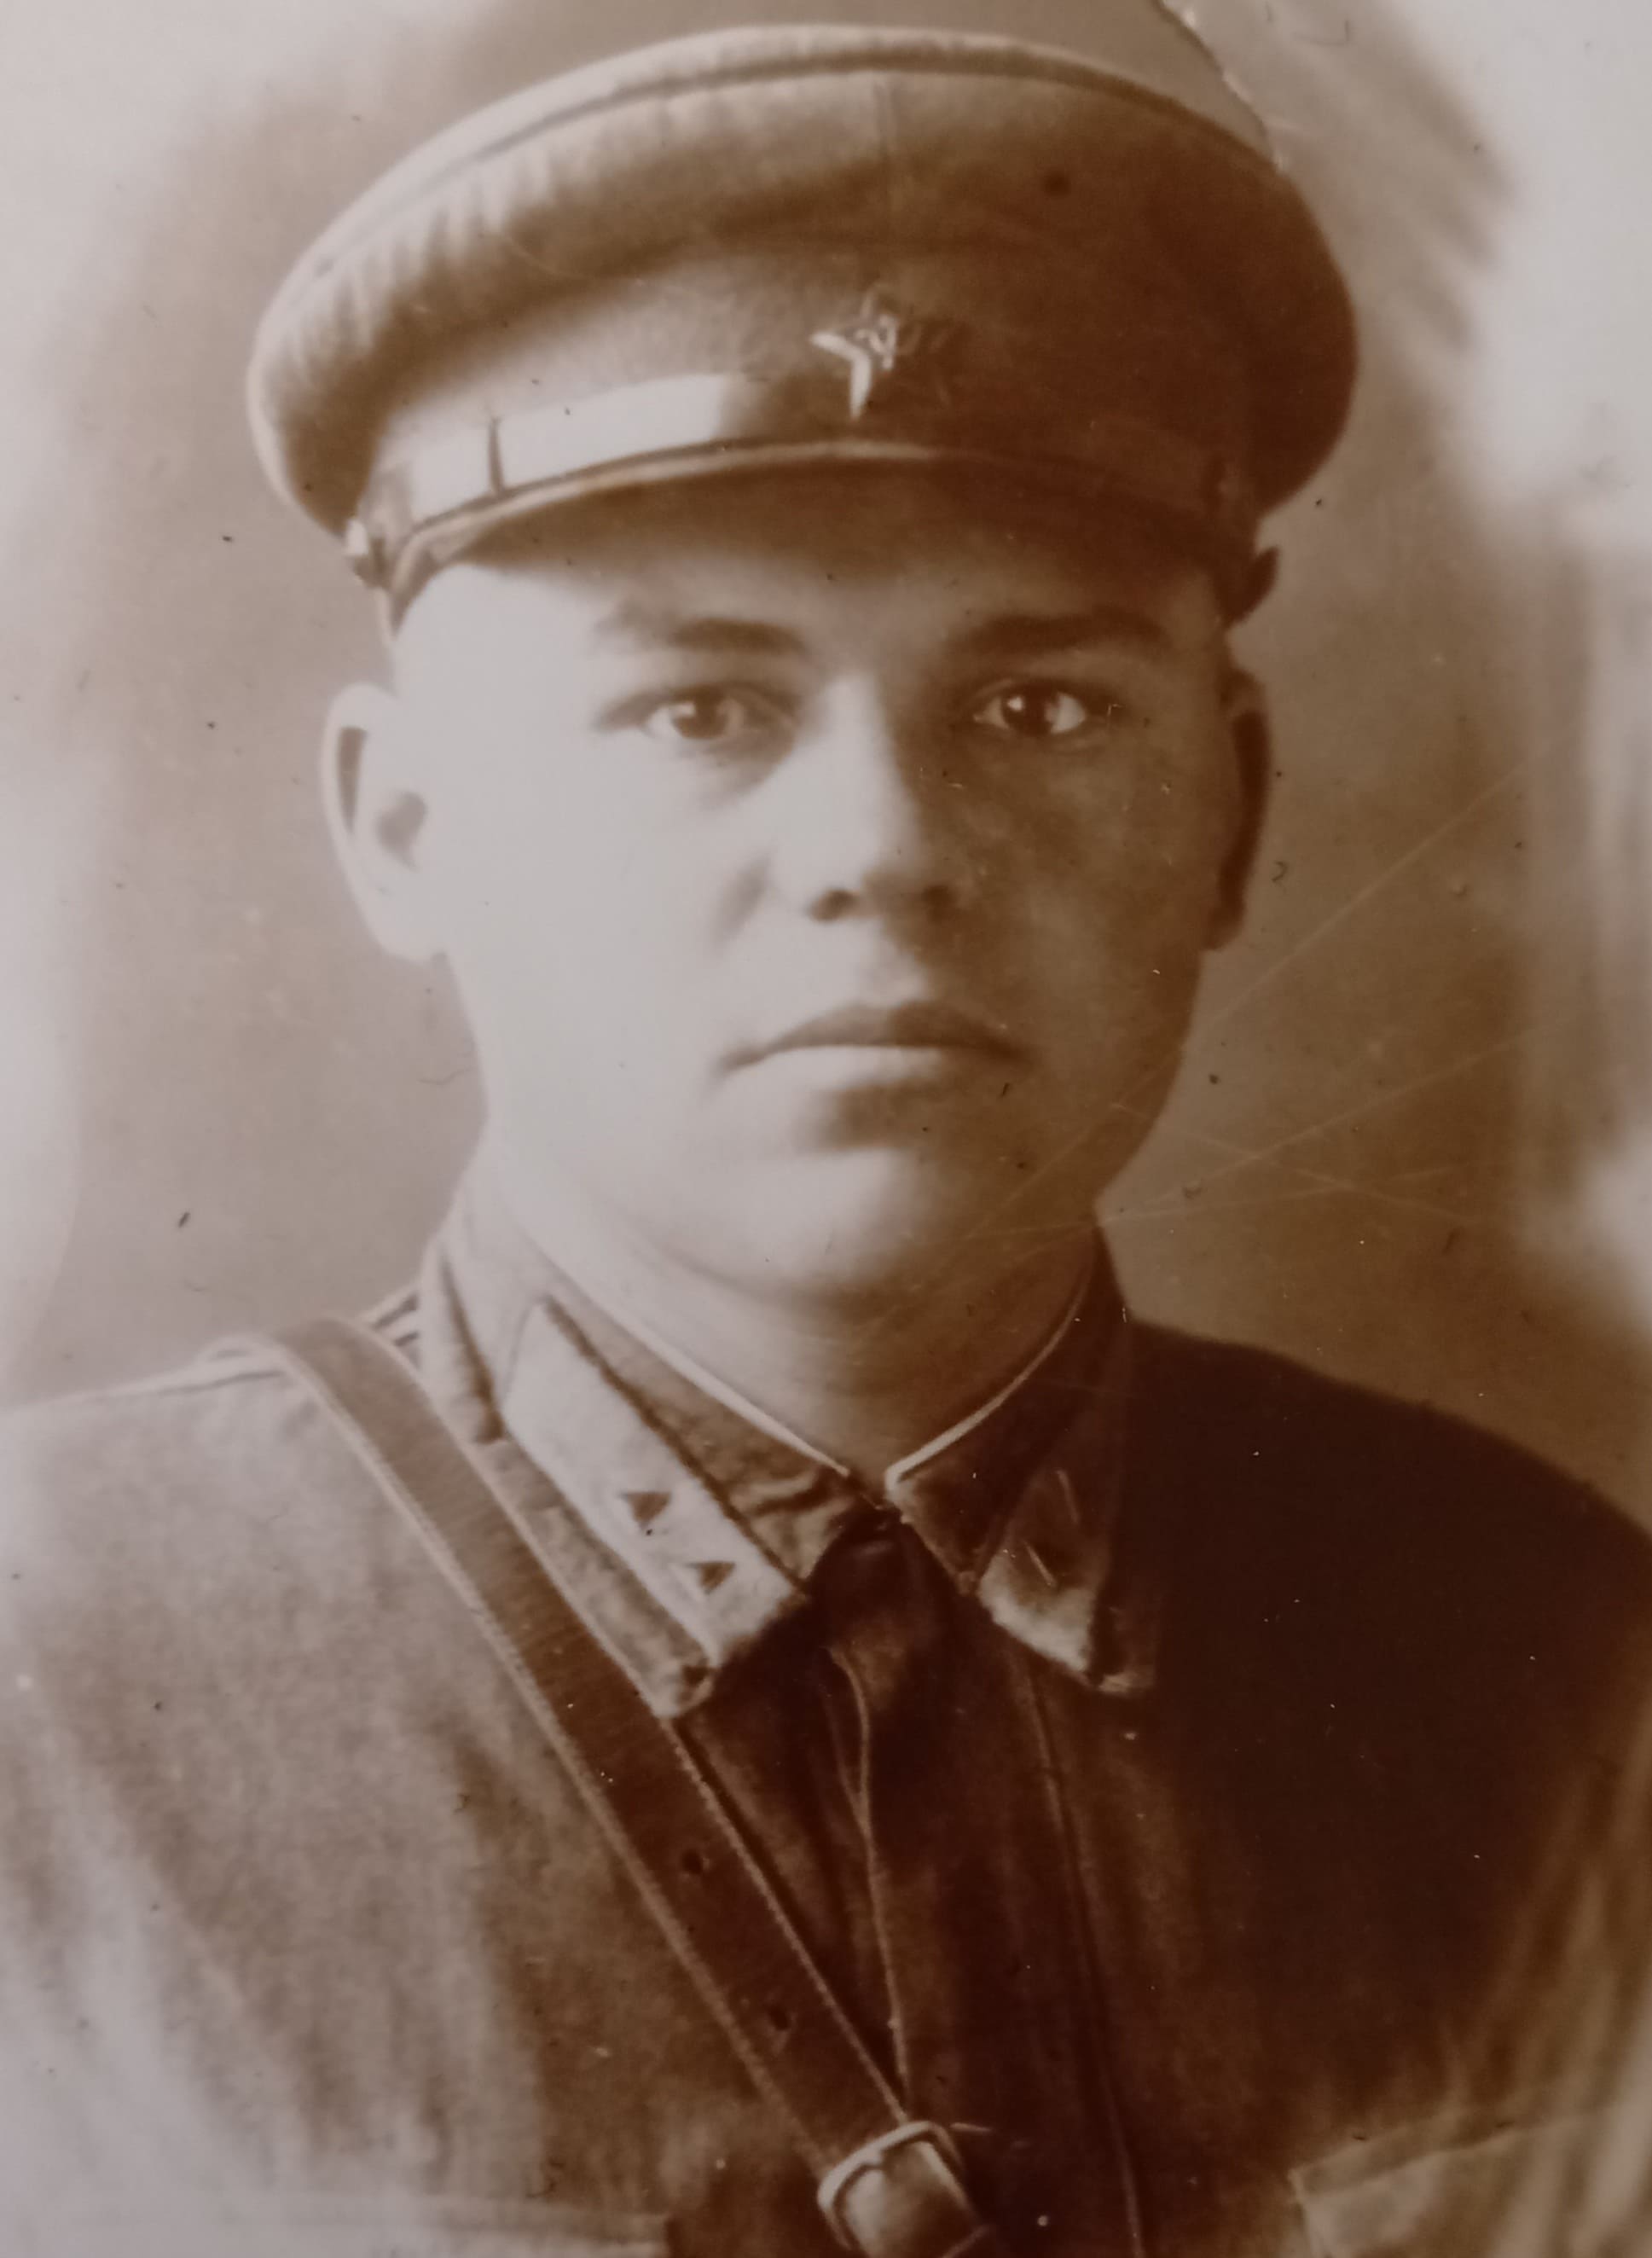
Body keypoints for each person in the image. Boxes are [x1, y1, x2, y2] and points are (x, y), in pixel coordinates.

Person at [3, 11, 1649, 2256]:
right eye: (702, 708)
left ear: (1232, 811)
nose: (883, 849)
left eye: (1040, 706)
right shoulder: (47, 1697)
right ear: (405, 827)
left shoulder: (1563, 1660)